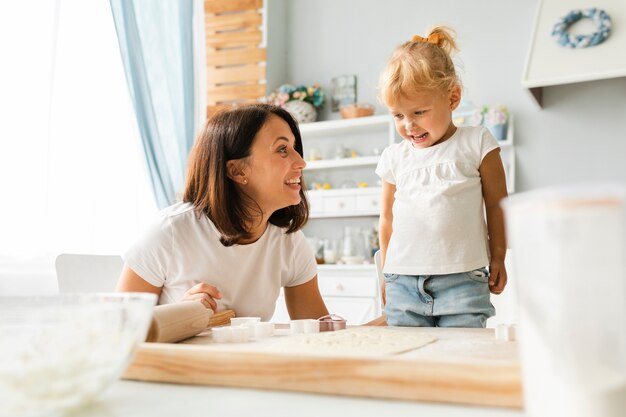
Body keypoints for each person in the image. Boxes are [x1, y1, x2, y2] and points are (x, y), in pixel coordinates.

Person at [116, 104, 329, 321]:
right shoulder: (170, 231)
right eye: (282, 149)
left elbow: (320, 336)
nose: (301, 162)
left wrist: (365, 330)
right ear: (236, 171)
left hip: (247, 356)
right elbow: (118, 326)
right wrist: (178, 314)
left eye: (294, 148)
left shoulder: (288, 242)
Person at [376, 27, 508, 328]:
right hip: (402, 283)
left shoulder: (478, 143)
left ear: (453, 97)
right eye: (398, 115)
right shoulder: (394, 158)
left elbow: (498, 205)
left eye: (419, 112)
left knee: (460, 363)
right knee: (407, 365)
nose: (408, 125)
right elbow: (387, 220)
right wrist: (385, 274)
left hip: (463, 281)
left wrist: (499, 255)